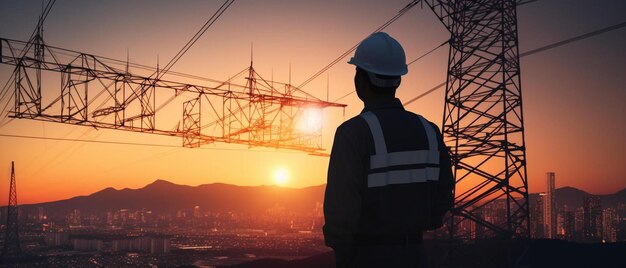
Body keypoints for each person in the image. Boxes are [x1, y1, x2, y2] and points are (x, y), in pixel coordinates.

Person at [323, 32, 455, 268]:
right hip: (416, 255)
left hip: (366, 257)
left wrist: (345, 256)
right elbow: (444, 194)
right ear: (399, 79)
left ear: (359, 81)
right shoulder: (429, 130)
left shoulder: (353, 133)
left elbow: (340, 213)